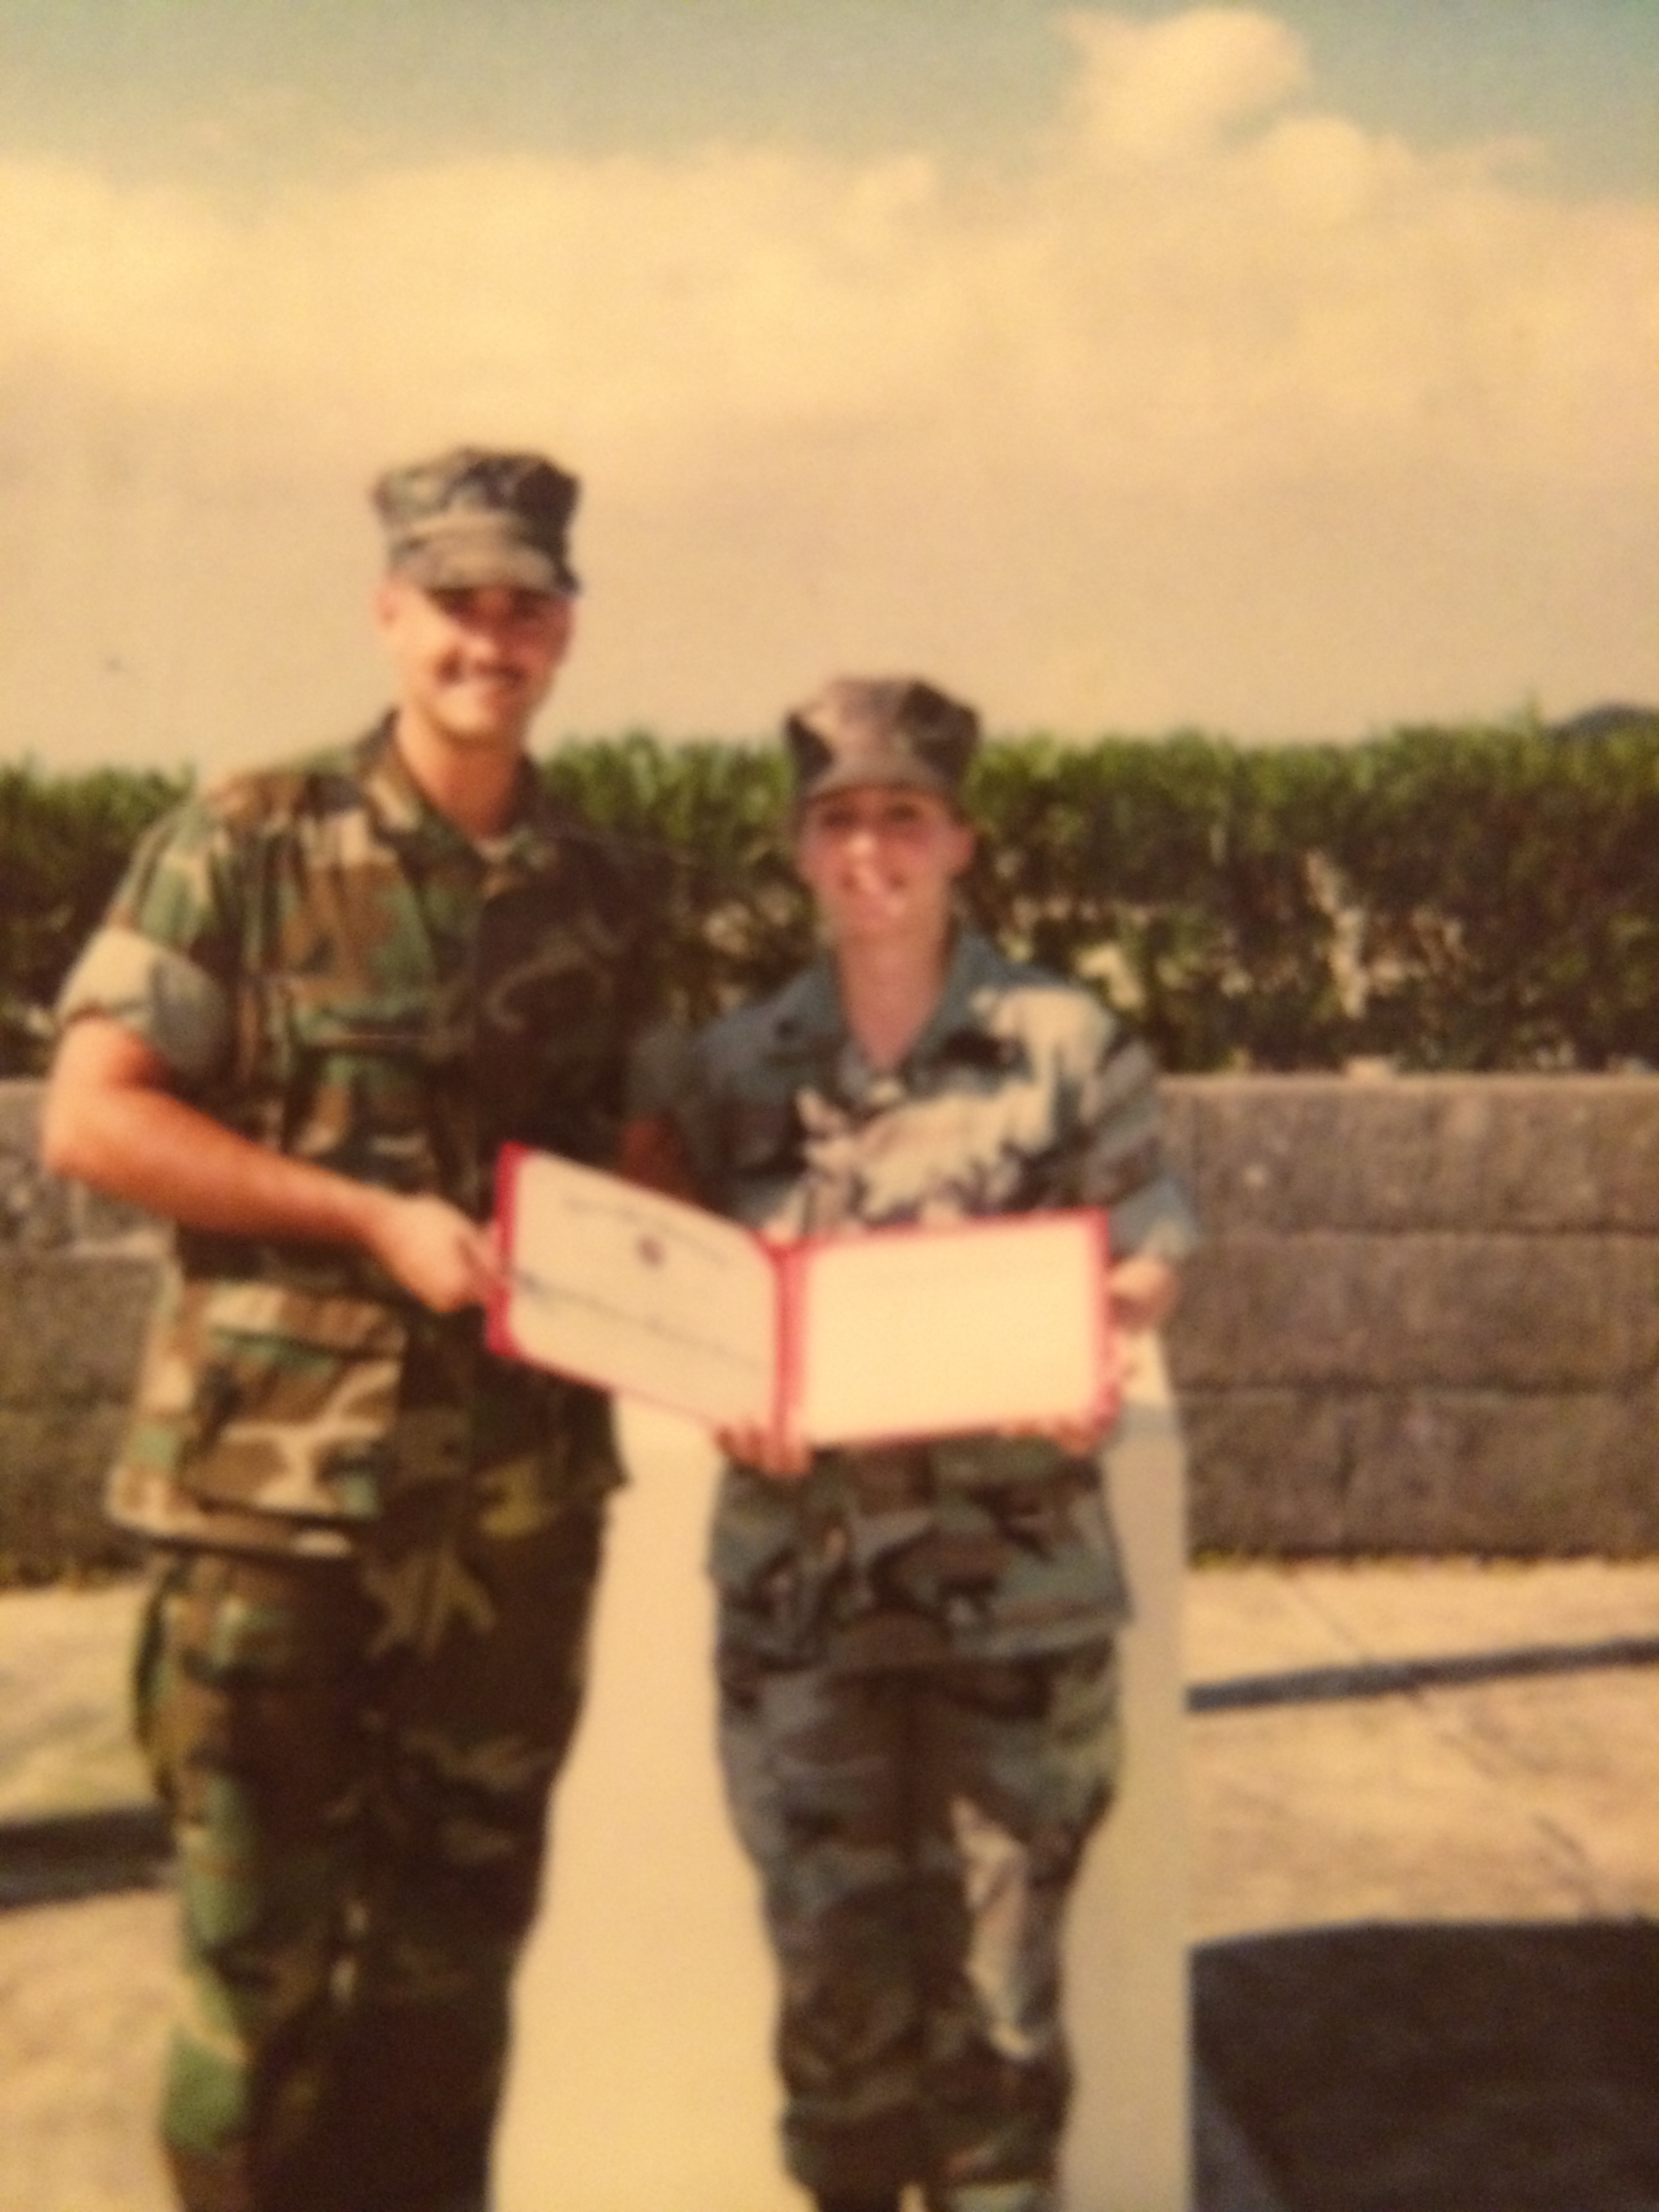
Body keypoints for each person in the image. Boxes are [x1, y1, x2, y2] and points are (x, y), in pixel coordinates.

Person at [41, 446, 667, 2212]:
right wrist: (363, 1214)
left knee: (452, 1965)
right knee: (260, 1964)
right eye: (455, 604)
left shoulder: (605, 895)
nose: (490, 638)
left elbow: (644, 1162)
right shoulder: (242, 840)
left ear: (564, 632)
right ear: (390, 615)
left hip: (515, 1516)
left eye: (524, 606)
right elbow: (94, 1117)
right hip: (269, 1516)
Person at [659, 677, 1200, 2212]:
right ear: (798, 850)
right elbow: (685, 1288)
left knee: (1001, 2023)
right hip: (802, 1602)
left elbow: (1147, 1233)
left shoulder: (1066, 1040)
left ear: (961, 838)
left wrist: (1105, 1331)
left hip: (1012, 1596)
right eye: (839, 819)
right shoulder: (732, 1066)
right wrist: (715, 1378)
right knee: (834, 2013)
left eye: (905, 814)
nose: (872, 848)